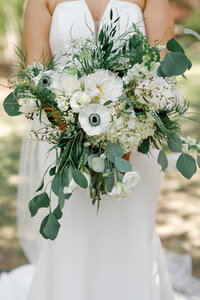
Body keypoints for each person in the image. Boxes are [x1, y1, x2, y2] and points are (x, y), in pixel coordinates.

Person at [0, 0, 199, 299]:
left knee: (128, 232)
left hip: (136, 138)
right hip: (63, 140)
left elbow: (159, 69)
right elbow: (35, 73)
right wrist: (76, 136)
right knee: (72, 234)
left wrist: (128, 133)